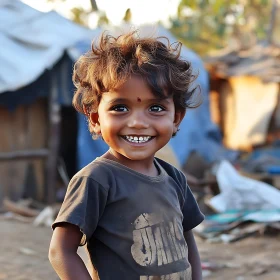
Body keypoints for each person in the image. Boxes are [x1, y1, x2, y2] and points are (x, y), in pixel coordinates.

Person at [49, 31, 204, 280]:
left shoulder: (174, 178)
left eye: (156, 108)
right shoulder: (97, 179)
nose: (138, 123)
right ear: (96, 119)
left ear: (176, 119)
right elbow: (61, 251)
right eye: (120, 108)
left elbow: (187, 242)